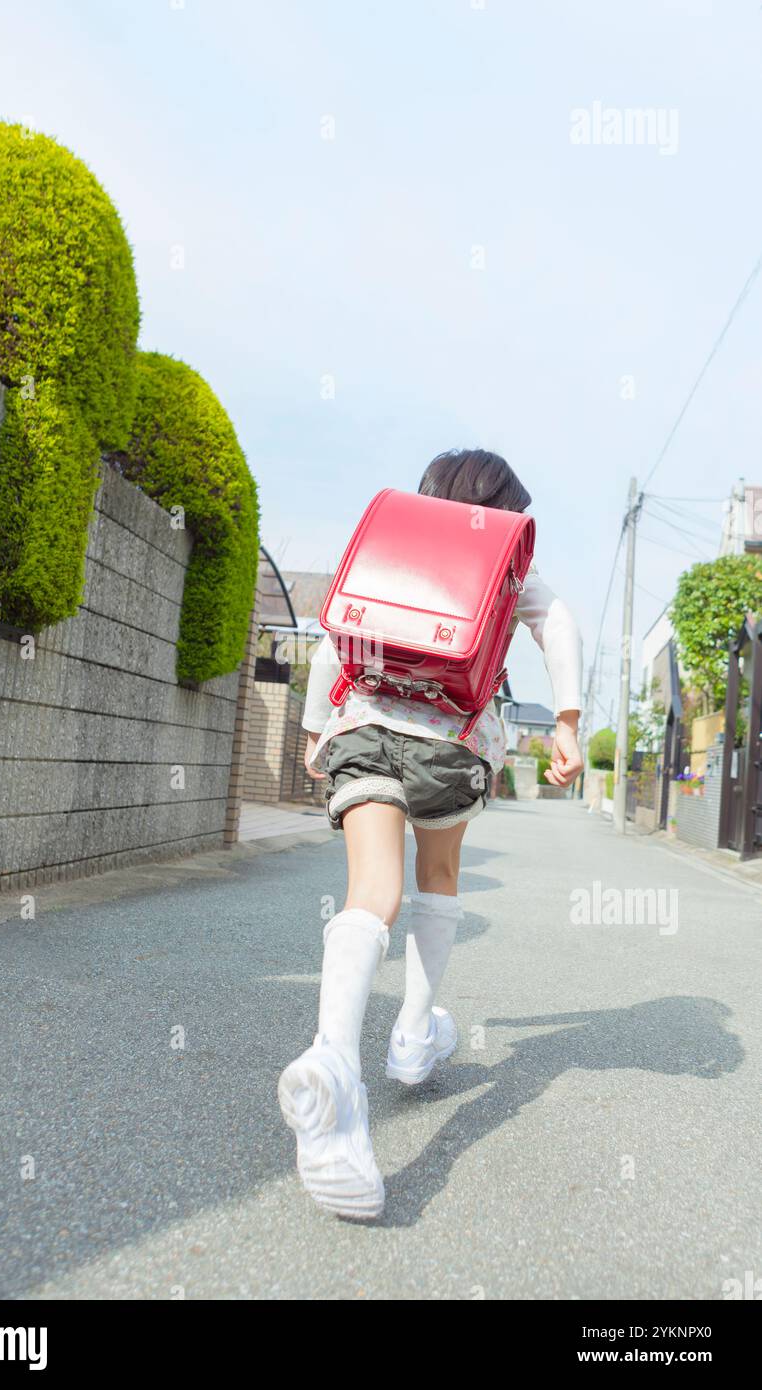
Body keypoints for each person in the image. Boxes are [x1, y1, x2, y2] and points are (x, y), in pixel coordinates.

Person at [277, 449, 584, 1219]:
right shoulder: (508, 557)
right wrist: (570, 722)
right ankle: (413, 1034)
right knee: (436, 878)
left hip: (363, 729)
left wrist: (317, 728)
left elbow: (332, 638)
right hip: (451, 746)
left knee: (369, 892)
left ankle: (334, 1060)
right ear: (508, 511)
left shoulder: (394, 541)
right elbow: (559, 624)